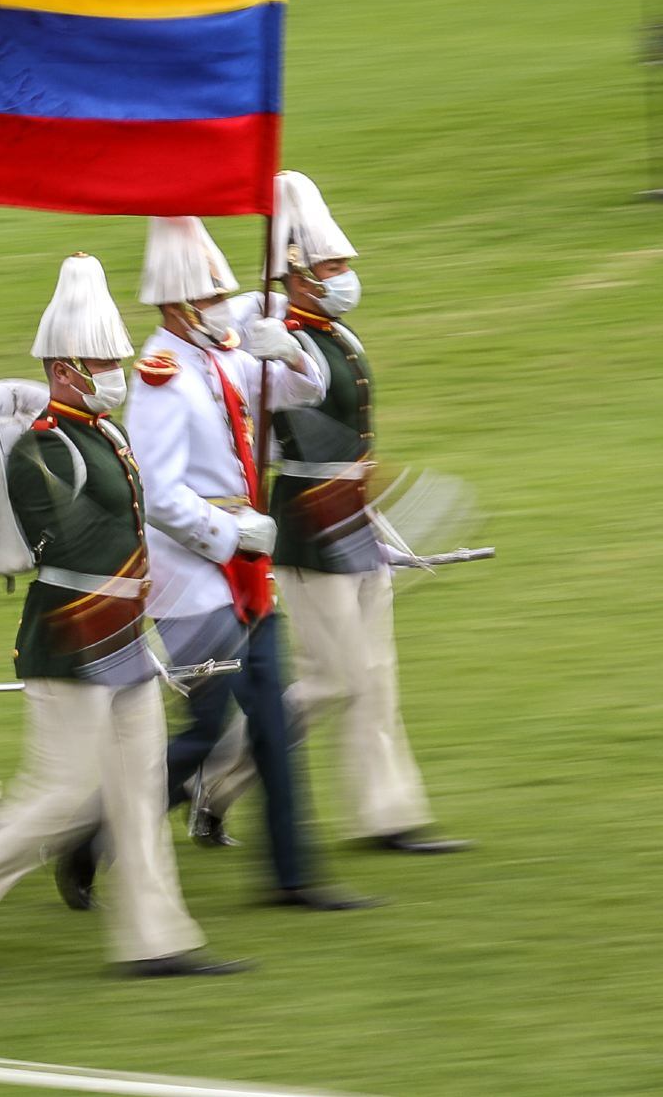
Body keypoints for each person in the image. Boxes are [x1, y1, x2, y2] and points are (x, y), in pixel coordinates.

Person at [0, 254, 248, 977]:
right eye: (100, 359)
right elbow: (68, 546)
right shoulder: (41, 447)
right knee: (63, 794)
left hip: (122, 637)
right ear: (65, 367)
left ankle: (155, 938)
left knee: (136, 791)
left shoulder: (109, 437)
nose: (114, 368)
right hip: (69, 643)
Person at [191, 173, 471, 854]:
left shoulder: (331, 333)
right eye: (331, 266)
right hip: (311, 524)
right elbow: (255, 416)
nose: (344, 276)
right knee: (331, 679)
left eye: (343, 265)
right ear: (299, 274)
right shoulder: (276, 341)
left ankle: (387, 813)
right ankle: (213, 782)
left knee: (376, 674)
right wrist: (260, 344)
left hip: (352, 515)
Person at [111, 216, 376, 910]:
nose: (223, 305)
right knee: (206, 727)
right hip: (195, 567)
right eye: (208, 295)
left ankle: (292, 874)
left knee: (269, 714)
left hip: (245, 555)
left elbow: (302, 391)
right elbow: (161, 495)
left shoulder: (220, 349)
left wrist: (287, 352)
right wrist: (230, 538)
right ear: (174, 303)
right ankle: (96, 831)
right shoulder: (161, 377)